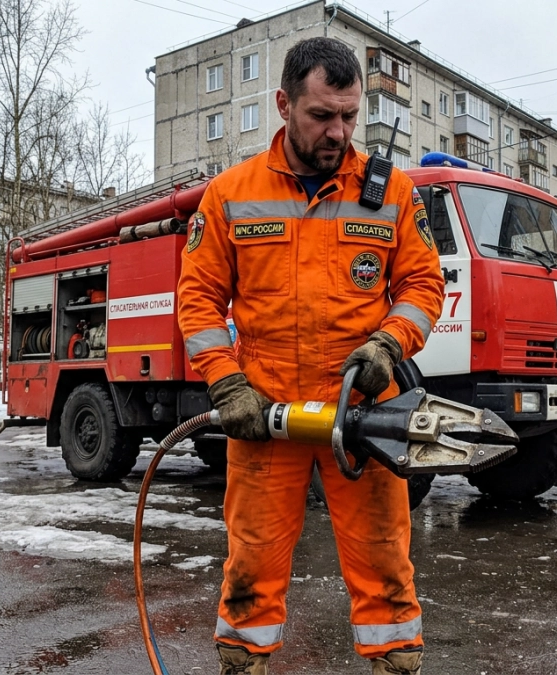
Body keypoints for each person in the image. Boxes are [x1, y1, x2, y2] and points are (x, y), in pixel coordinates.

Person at [177, 36, 444, 675]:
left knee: (384, 559)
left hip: (364, 410)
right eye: (322, 115)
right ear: (283, 104)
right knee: (251, 560)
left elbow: (423, 285)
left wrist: (389, 343)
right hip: (266, 409)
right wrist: (227, 384)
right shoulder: (231, 194)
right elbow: (198, 299)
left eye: (349, 116)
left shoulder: (392, 192)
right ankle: (243, 663)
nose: (339, 132)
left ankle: (394, 665)